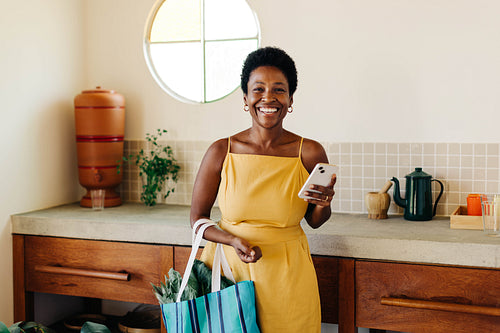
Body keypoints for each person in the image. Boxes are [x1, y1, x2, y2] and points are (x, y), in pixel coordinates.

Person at [190, 46, 336, 332]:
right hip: (229, 273)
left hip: (288, 278)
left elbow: (315, 221)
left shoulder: (309, 152)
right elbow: (197, 221)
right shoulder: (222, 151)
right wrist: (231, 240)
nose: (268, 98)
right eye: (258, 89)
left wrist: (324, 203)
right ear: (245, 98)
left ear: (291, 99)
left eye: (279, 90)